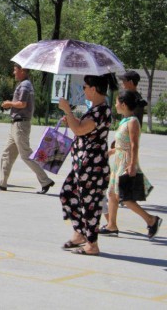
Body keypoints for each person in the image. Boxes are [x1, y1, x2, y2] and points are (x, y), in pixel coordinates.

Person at [58, 74, 116, 256]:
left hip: (93, 166)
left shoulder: (102, 110)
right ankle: (80, 233)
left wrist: (68, 111)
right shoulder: (95, 108)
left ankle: (92, 244)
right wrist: (71, 119)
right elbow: (80, 128)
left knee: (90, 204)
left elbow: (81, 129)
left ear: (94, 88)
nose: (83, 90)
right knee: (67, 194)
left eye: (85, 86)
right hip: (82, 165)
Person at [99, 90, 161, 239]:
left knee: (124, 197)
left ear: (124, 104)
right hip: (119, 161)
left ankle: (151, 220)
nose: (115, 105)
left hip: (126, 163)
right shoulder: (124, 120)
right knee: (112, 194)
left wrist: (132, 165)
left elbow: (134, 145)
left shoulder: (133, 121)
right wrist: (111, 152)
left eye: (117, 103)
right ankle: (112, 226)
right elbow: (123, 144)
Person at [0, 64, 55, 193]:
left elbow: (22, 103)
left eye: (15, 70)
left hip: (21, 124)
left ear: (22, 70)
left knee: (26, 155)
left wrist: (9, 103)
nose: (14, 72)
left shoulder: (25, 85)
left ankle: (45, 180)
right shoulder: (24, 84)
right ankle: (2, 182)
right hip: (16, 124)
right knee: (7, 153)